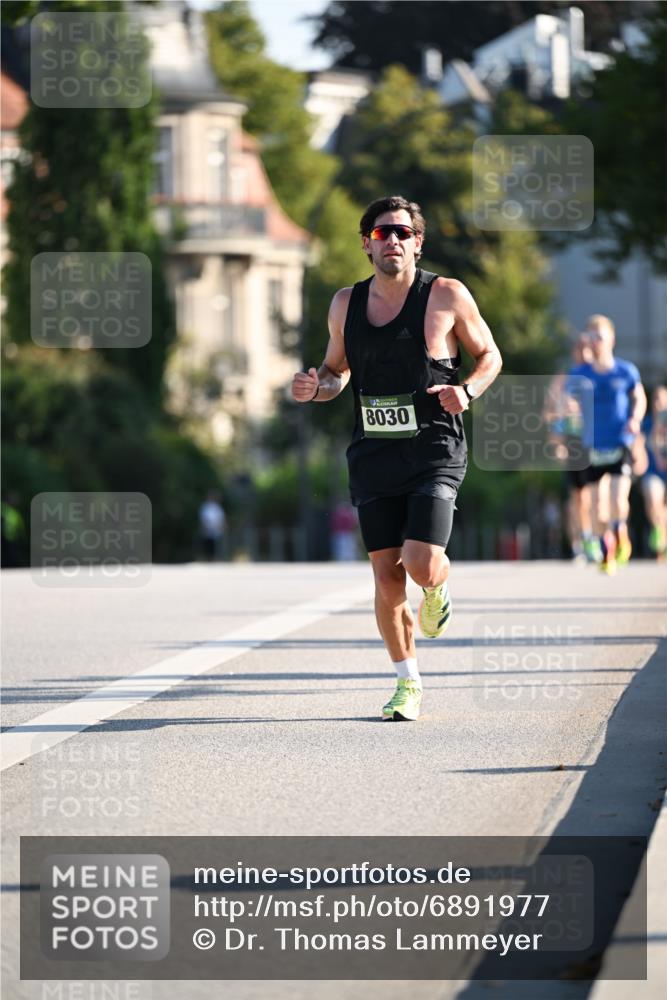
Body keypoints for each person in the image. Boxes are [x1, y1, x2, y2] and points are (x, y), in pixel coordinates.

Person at [291, 195, 502, 721]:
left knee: (421, 562)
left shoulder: (446, 295)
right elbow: (336, 373)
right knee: (387, 578)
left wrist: (468, 392)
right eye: (383, 233)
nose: (394, 241)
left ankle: (438, 588)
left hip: (434, 447)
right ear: (366, 244)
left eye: (403, 233)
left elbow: (490, 355)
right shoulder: (345, 304)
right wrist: (314, 387)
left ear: (418, 242)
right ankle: (407, 682)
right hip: (373, 455)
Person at [567, 315, 647, 575]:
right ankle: (606, 546)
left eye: (599, 337)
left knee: (617, 499)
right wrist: (569, 410)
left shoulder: (626, 370)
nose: (595, 342)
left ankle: (620, 528)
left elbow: (640, 398)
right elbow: (565, 401)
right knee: (598, 508)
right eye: (591, 337)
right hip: (593, 446)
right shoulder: (580, 373)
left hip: (620, 442)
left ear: (611, 339)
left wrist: (635, 418)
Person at [546, 334, 597, 563]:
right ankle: (581, 543)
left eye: (589, 350)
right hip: (572, 442)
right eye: (581, 350)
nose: (585, 355)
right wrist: (557, 441)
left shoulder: (598, 376)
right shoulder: (565, 378)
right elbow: (549, 413)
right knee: (578, 498)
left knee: (596, 497)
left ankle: (599, 538)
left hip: (596, 442)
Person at [640, 384, 667, 559]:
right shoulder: (646, 423)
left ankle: (663, 540)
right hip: (652, 472)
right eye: (655, 398)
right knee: (653, 499)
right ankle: (658, 533)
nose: (658, 402)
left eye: (662, 398)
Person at [198, 490, 226, 561]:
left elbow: (221, 518)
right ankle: (207, 558)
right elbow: (203, 518)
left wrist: (221, 526)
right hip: (207, 529)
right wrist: (205, 526)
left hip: (216, 529)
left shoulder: (217, 507)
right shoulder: (205, 507)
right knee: (207, 544)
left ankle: (215, 558)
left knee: (215, 545)